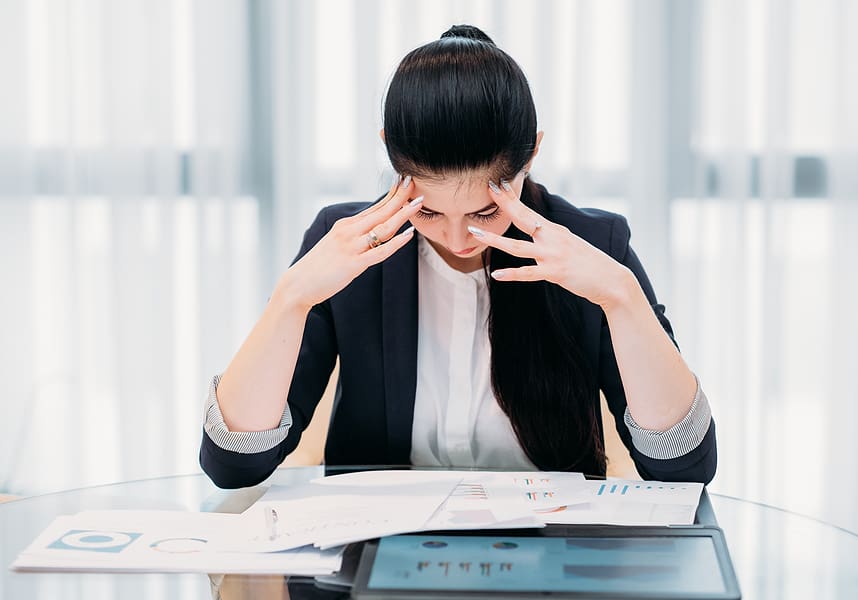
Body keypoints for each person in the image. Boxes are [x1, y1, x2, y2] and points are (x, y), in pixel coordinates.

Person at [200, 25, 716, 489]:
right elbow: (234, 463)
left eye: (486, 212)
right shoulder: (349, 247)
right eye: (428, 211)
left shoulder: (595, 244)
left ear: (531, 154)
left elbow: (683, 465)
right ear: (391, 157)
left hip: (549, 566)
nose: (459, 239)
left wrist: (621, 298)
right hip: (377, 562)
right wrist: (290, 298)